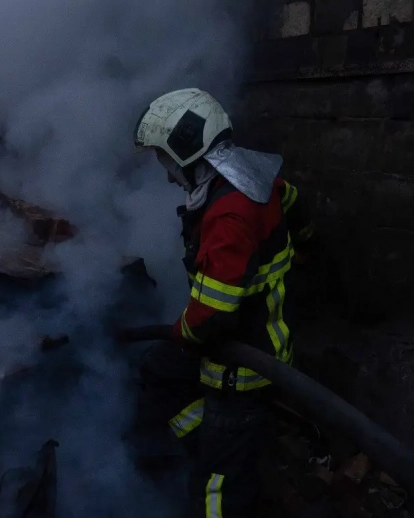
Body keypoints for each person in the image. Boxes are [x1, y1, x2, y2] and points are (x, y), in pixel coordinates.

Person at [127, 88, 313, 517]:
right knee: (157, 370)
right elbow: (293, 201)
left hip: (244, 366)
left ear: (187, 152)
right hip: (234, 340)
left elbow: (211, 316)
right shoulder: (256, 179)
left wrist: (180, 331)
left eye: (165, 160)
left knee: (215, 493)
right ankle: (207, 443)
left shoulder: (229, 216)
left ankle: (220, 467)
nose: (166, 174)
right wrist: (306, 243)